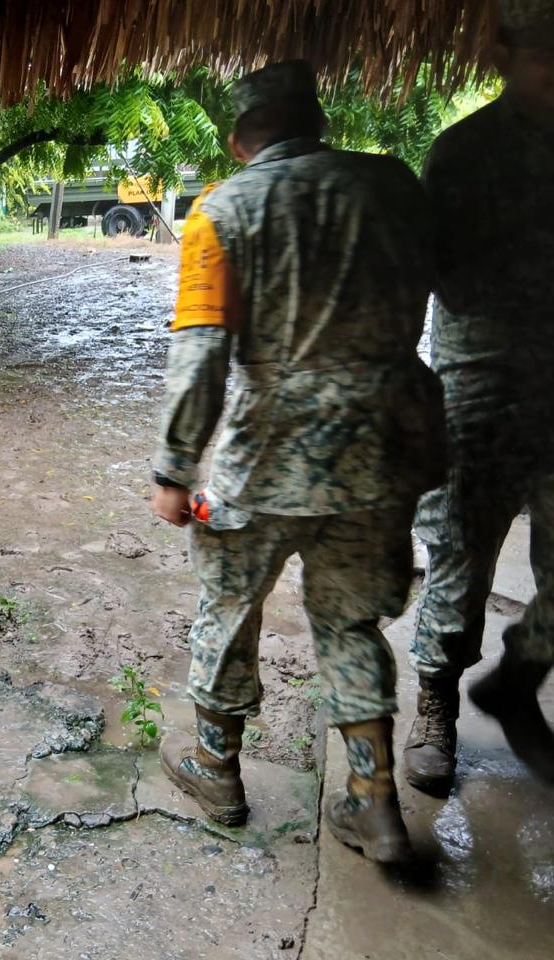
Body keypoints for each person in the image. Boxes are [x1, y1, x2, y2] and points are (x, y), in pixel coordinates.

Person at [151, 61, 444, 863]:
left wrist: (175, 468)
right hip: (384, 445)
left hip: (270, 447)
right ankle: (374, 801)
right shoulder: (392, 185)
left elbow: (202, 352)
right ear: (314, 119)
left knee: (230, 605)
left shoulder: (223, 209)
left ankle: (217, 771)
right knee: (352, 619)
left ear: (238, 134)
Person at [405, 0, 554, 790]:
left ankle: (517, 681)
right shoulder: (464, 152)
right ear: (510, 59)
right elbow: (437, 275)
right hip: (482, 383)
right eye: (544, 59)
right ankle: (435, 705)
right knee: (462, 552)